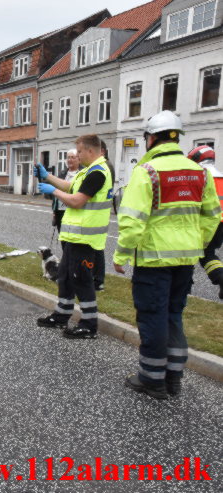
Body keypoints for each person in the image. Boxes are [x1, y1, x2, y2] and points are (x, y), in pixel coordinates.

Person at [113, 111, 220, 399]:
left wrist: (121, 255)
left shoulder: (147, 172)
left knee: (152, 317)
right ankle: (174, 379)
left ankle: (151, 379)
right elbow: (212, 217)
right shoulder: (199, 172)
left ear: (152, 138)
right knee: (174, 315)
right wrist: (194, 243)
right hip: (185, 261)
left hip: (154, 259)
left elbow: (132, 221)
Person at [34, 134, 113, 339]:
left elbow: (77, 201)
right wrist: (47, 176)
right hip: (74, 237)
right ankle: (62, 315)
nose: (77, 156)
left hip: (85, 239)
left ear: (90, 151)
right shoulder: (86, 171)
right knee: (66, 278)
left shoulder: (98, 173)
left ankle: (89, 324)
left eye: (79, 152)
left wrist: (53, 192)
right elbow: (70, 187)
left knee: (81, 281)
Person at [187, 145, 223, 299]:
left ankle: (185, 286)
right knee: (208, 254)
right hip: (221, 223)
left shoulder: (201, 177)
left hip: (205, 222)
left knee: (189, 253)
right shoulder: (221, 177)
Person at [92, 140, 117, 291]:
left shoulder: (104, 167)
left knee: (97, 248)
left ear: (102, 151)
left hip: (98, 212)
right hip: (99, 211)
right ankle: (96, 278)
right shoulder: (106, 165)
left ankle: (99, 280)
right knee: (96, 248)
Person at [52, 149, 80, 233]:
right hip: (60, 210)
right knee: (62, 235)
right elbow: (56, 193)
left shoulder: (82, 173)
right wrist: (54, 210)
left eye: (72, 157)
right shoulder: (62, 173)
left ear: (78, 159)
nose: (69, 160)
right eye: (68, 158)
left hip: (73, 210)